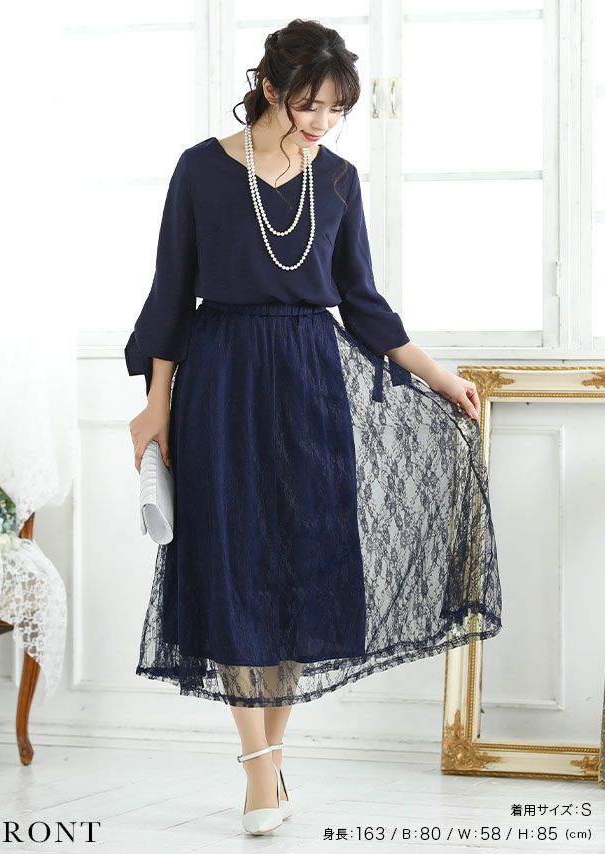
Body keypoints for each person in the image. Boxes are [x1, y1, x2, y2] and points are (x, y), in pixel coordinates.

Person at [125, 18, 502, 837]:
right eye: (309, 104)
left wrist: (439, 377)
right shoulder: (200, 169)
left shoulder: (336, 180)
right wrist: (156, 402)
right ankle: (260, 771)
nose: (322, 122)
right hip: (221, 377)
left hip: (309, 381)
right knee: (231, 566)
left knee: (302, 568)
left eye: (336, 109)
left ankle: (270, 758)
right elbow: (171, 292)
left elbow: (362, 300)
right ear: (270, 88)